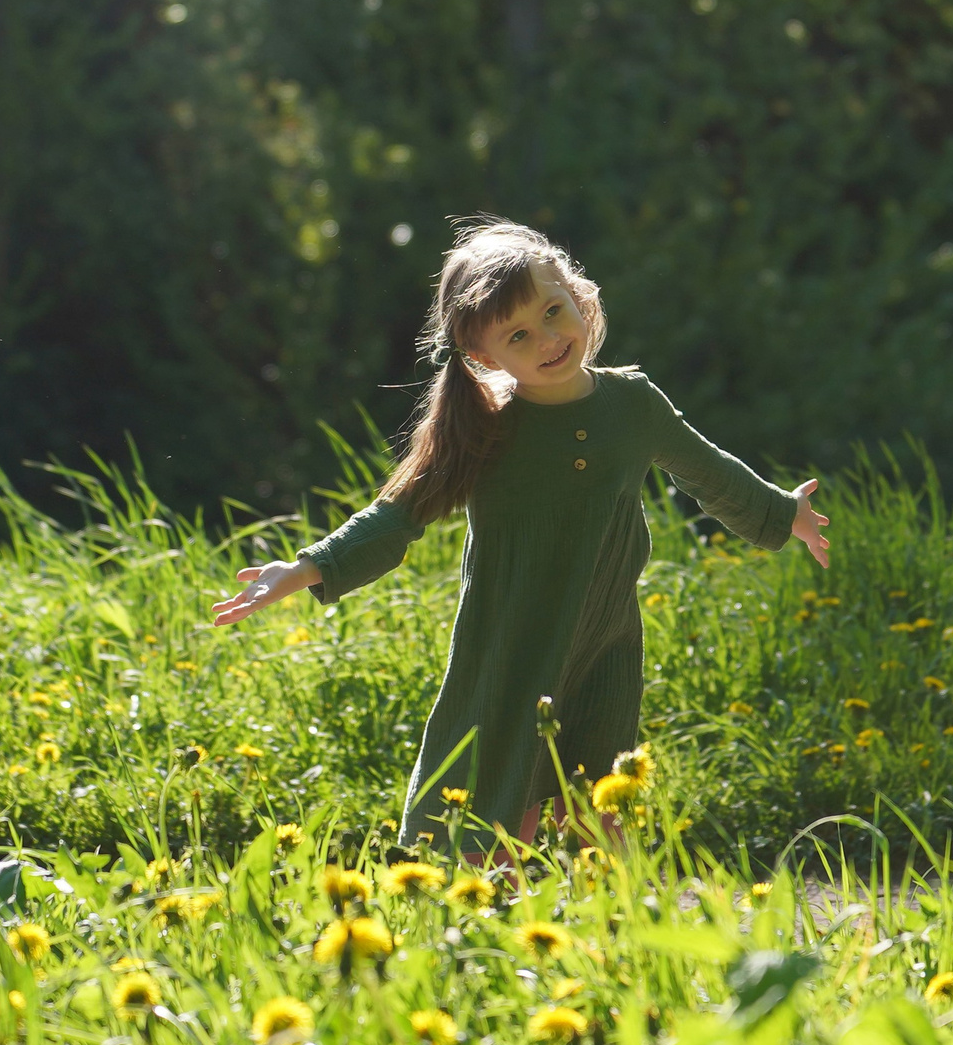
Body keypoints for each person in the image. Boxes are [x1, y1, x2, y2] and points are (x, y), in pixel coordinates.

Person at [208, 219, 831, 851]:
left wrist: (783, 515)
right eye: (519, 334)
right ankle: (486, 924)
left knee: (599, 795)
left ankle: (610, 929)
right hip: (512, 644)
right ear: (484, 356)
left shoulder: (633, 405)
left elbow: (710, 472)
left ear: (578, 294)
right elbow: (397, 516)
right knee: (500, 804)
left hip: (604, 636)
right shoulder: (486, 429)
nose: (548, 339)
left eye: (554, 312)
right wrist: (304, 569)